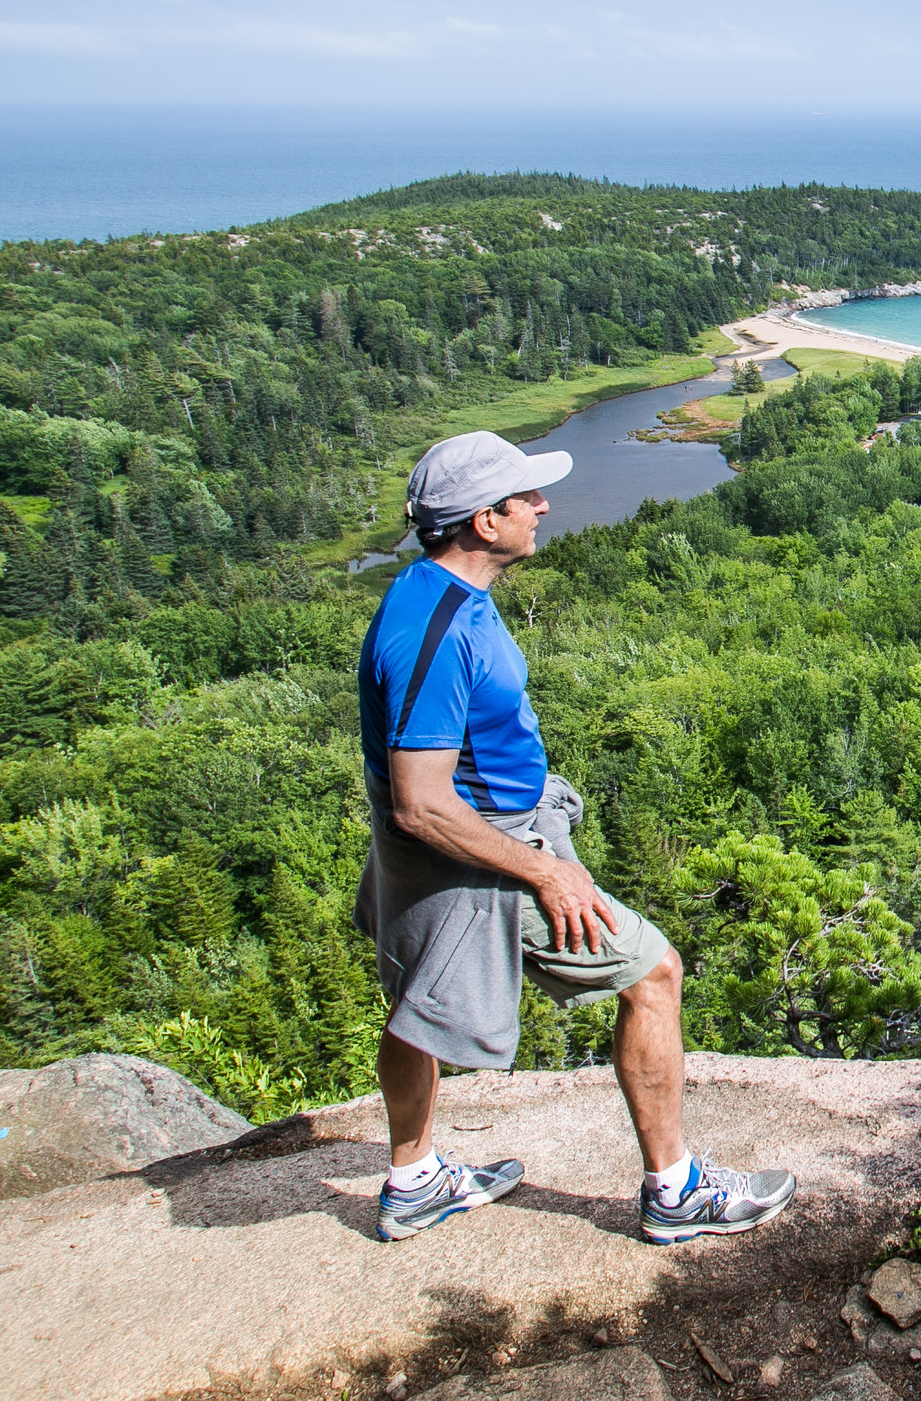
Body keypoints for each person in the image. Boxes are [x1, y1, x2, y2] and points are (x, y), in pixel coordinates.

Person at [353, 430, 795, 1244]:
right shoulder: (441, 628)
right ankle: (677, 1193)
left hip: (449, 845)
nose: (545, 506)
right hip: (476, 853)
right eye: (527, 498)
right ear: (485, 522)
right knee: (654, 972)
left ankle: (413, 1180)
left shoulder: (427, 593)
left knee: (414, 1000)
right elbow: (422, 800)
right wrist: (546, 873)